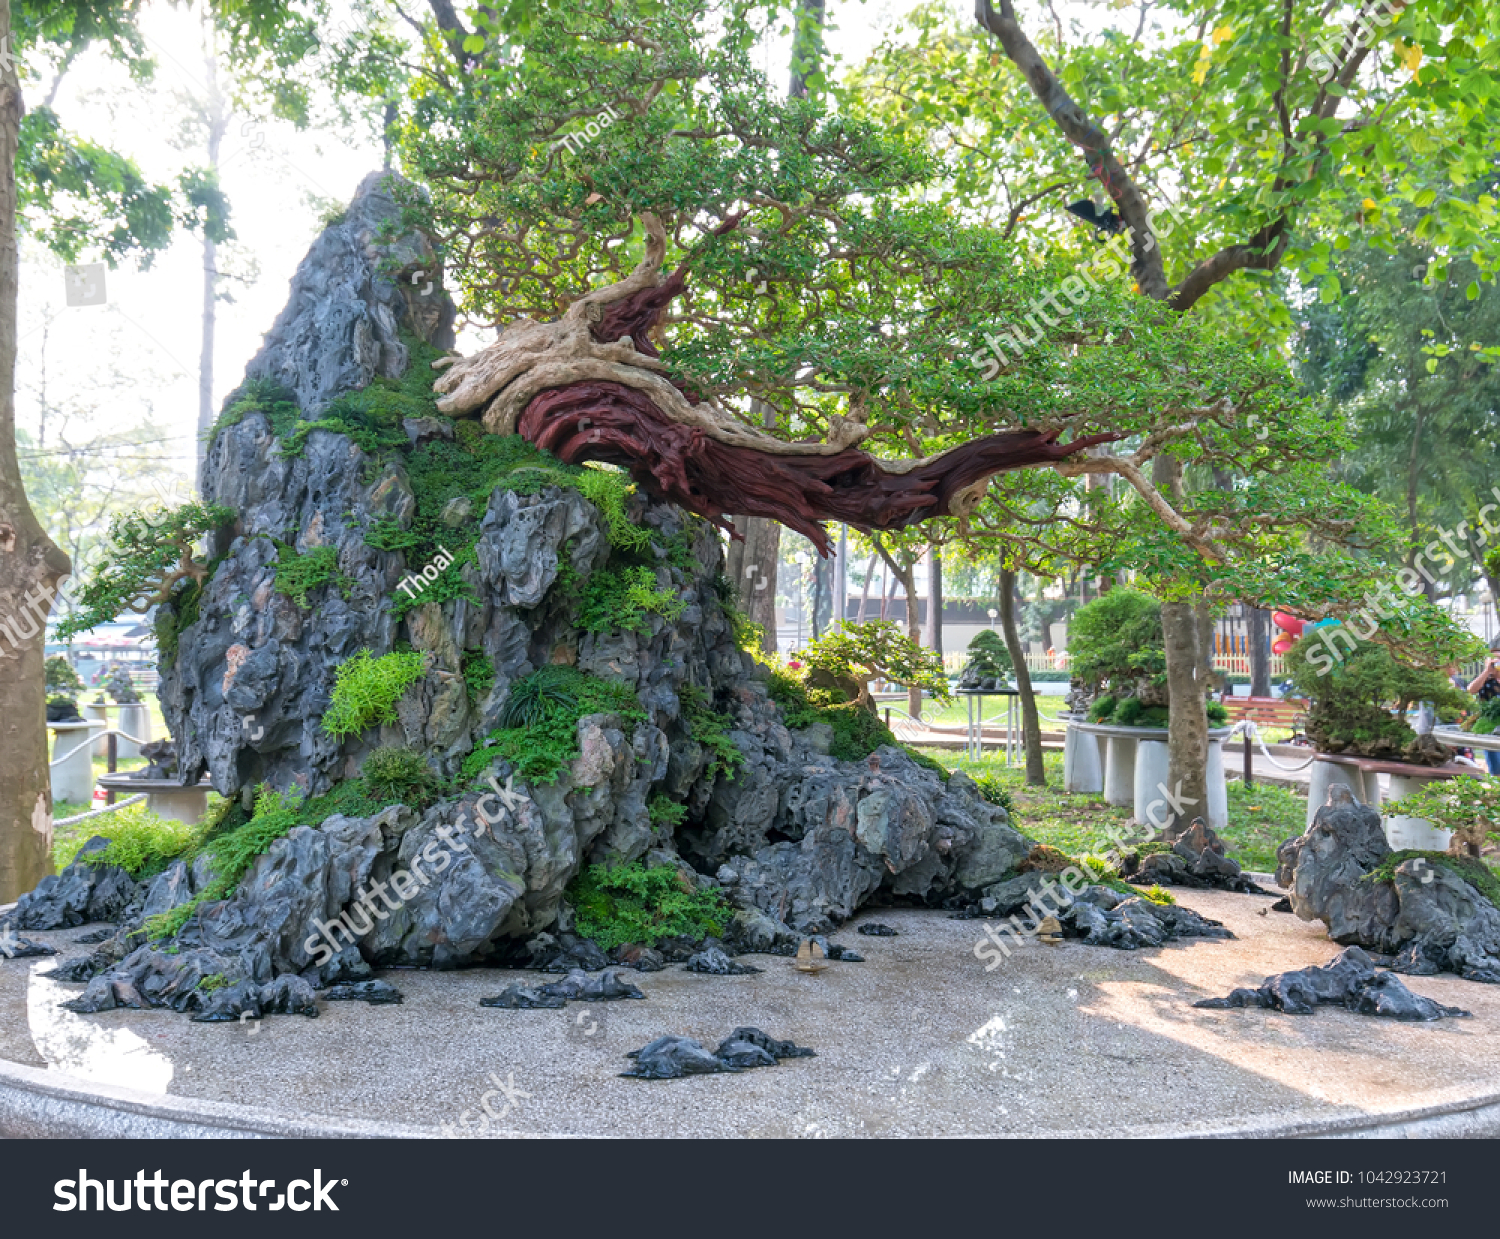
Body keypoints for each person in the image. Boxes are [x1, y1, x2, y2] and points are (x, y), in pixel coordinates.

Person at [1466, 649, 1500, 774]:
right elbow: (1471, 690)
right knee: (1496, 765)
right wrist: (1487, 671)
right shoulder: (1485, 680)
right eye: (1493, 658)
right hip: (1490, 727)